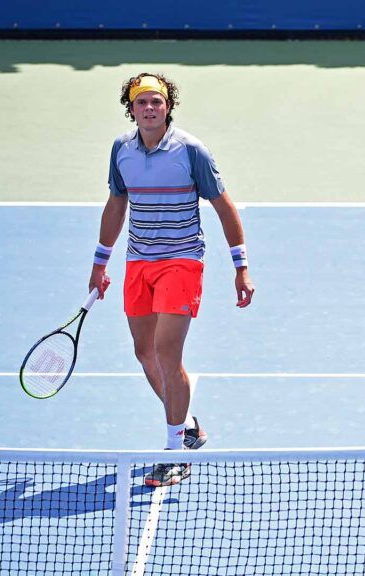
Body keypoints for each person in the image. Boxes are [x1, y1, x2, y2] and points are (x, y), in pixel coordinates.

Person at [88, 73, 255, 486]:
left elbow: (223, 205)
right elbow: (116, 204)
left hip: (182, 261)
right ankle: (189, 426)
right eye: (141, 102)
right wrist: (99, 262)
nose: (149, 108)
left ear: (168, 107)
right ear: (131, 108)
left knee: (166, 353)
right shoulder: (121, 150)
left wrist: (241, 265)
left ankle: (174, 452)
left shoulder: (190, 150)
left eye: (156, 102)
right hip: (138, 262)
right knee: (144, 352)